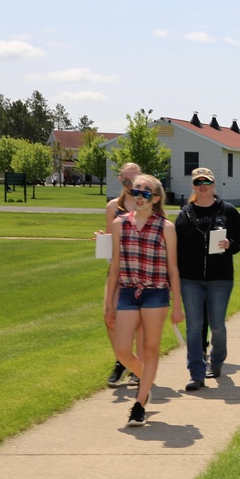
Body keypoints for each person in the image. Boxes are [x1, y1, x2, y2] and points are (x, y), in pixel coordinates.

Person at [104, 174, 184, 427]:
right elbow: (115, 266)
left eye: (146, 193)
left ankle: (139, 404)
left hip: (156, 292)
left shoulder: (166, 227)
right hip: (128, 291)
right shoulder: (119, 224)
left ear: (156, 198)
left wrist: (178, 306)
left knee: (150, 348)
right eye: (135, 191)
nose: (139, 197)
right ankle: (146, 382)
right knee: (122, 350)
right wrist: (109, 303)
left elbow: (173, 270)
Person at [174, 168, 240, 392]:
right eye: (198, 182)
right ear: (193, 186)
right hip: (190, 280)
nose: (203, 185)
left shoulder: (227, 210)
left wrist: (231, 244)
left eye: (206, 181)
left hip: (220, 278)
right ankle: (196, 373)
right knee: (194, 327)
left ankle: (216, 363)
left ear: (213, 184)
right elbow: (176, 247)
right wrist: (174, 278)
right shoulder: (185, 214)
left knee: (216, 325)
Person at [102, 162, 143, 388]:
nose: (130, 185)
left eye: (134, 180)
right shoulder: (112, 207)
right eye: (126, 181)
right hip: (117, 270)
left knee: (138, 321)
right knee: (109, 317)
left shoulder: (146, 203)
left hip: (140, 269)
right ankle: (121, 360)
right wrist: (102, 238)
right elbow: (110, 240)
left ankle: (137, 365)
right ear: (120, 181)